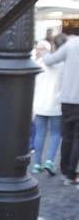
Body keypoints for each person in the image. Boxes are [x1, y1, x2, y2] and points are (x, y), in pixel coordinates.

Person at [43, 34, 79, 185]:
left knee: (68, 136)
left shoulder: (71, 44)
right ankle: (71, 173)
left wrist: (44, 52)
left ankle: (65, 171)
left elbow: (50, 60)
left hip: (67, 99)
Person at [32, 38, 64, 175]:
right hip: (56, 105)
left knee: (40, 134)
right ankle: (50, 161)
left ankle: (37, 164)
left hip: (40, 104)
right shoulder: (63, 64)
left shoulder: (38, 64)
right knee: (56, 134)